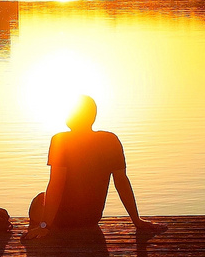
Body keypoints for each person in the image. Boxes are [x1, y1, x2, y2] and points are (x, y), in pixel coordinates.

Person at [25, 95, 166, 240]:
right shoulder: (110, 140)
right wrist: (136, 220)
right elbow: (121, 182)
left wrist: (45, 226)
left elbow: (56, 184)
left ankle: (41, 231)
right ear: (92, 117)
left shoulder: (60, 140)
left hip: (63, 219)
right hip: (91, 217)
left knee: (40, 199)